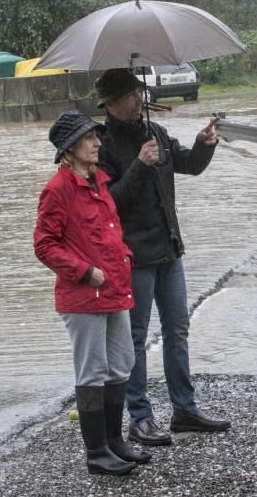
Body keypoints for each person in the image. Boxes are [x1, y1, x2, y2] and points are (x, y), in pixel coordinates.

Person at [94, 68, 229, 446]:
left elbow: (190, 165)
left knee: (178, 330)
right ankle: (140, 417)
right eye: (131, 95)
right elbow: (109, 203)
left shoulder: (155, 133)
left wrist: (205, 144)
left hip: (170, 248)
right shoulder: (102, 145)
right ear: (110, 104)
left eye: (139, 92)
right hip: (132, 256)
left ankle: (184, 409)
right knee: (135, 339)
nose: (139, 101)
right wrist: (139, 165)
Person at [33, 111, 152, 475]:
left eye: (97, 137)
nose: (98, 143)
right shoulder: (58, 189)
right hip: (84, 296)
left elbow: (110, 233)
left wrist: (125, 258)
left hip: (115, 288)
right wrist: (85, 272)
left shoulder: (101, 181)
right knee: (93, 371)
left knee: (121, 365)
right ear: (70, 148)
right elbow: (44, 245)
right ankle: (96, 453)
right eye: (89, 138)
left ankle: (115, 442)